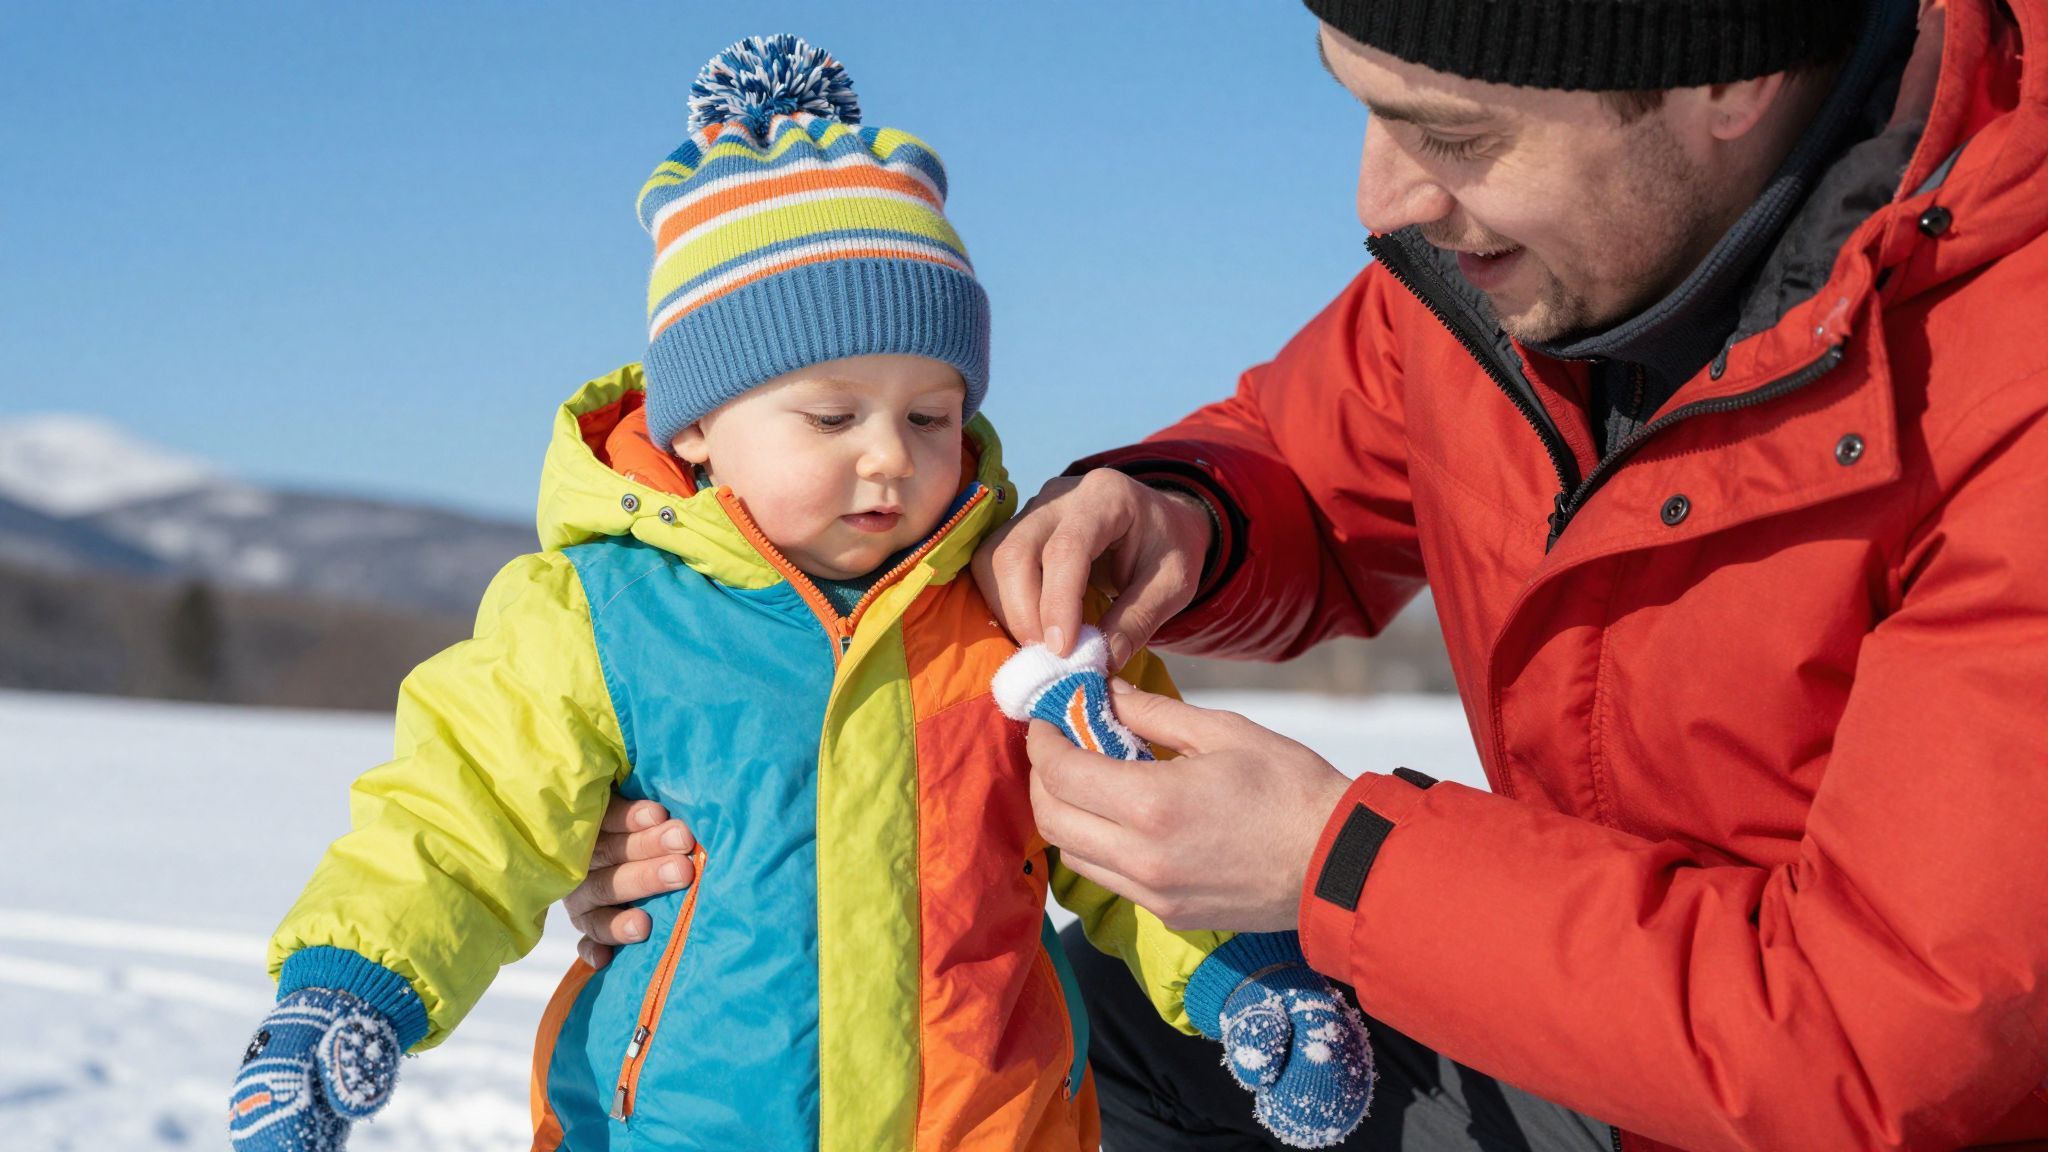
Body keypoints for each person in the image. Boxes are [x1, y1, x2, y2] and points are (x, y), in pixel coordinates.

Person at [573, 1, 2048, 1149]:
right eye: (1361, 108)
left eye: (1452, 137)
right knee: (1070, 1024)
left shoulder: (2011, 379)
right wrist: (1170, 514)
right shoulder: (1507, 275)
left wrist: (1338, 865)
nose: (1381, 199)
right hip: (1602, 1049)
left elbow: (1891, 1033)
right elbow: (1298, 457)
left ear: (1727, 84)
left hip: (1879, 1103)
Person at [225, 33, 1374, 1152]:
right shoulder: (599, 618)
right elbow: (461, 813)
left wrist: (1252, 976)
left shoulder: (1018, 621)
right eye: (831, 417)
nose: (889, 457)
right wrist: (348, 986)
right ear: (698, 428)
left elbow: (1145, 828)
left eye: (931, 416)